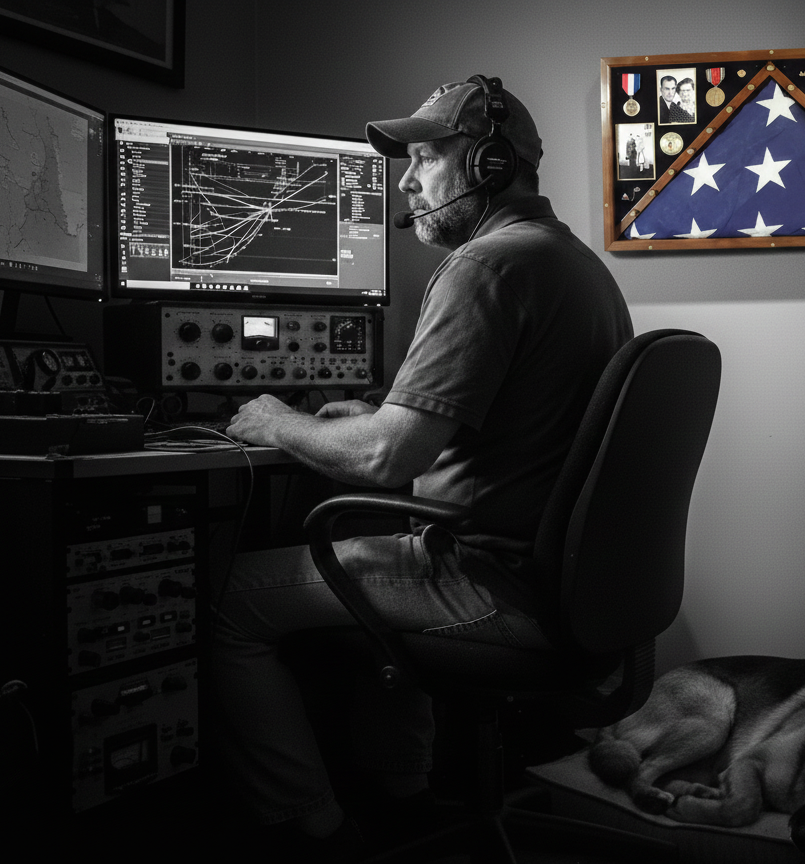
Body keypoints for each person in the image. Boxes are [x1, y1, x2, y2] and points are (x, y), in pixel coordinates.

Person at [212, 77, 633, 859]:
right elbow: (489, 422)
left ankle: (314, 825)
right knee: (370, 533)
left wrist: (276, 419)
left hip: (490, 583)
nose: (405, 183)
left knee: (230, 599)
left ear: (489, 163)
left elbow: (386, 457)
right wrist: (371, 412)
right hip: (573, 590)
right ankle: (402, 794)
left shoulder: (487, 265)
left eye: (425, 159)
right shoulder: (570, 262)